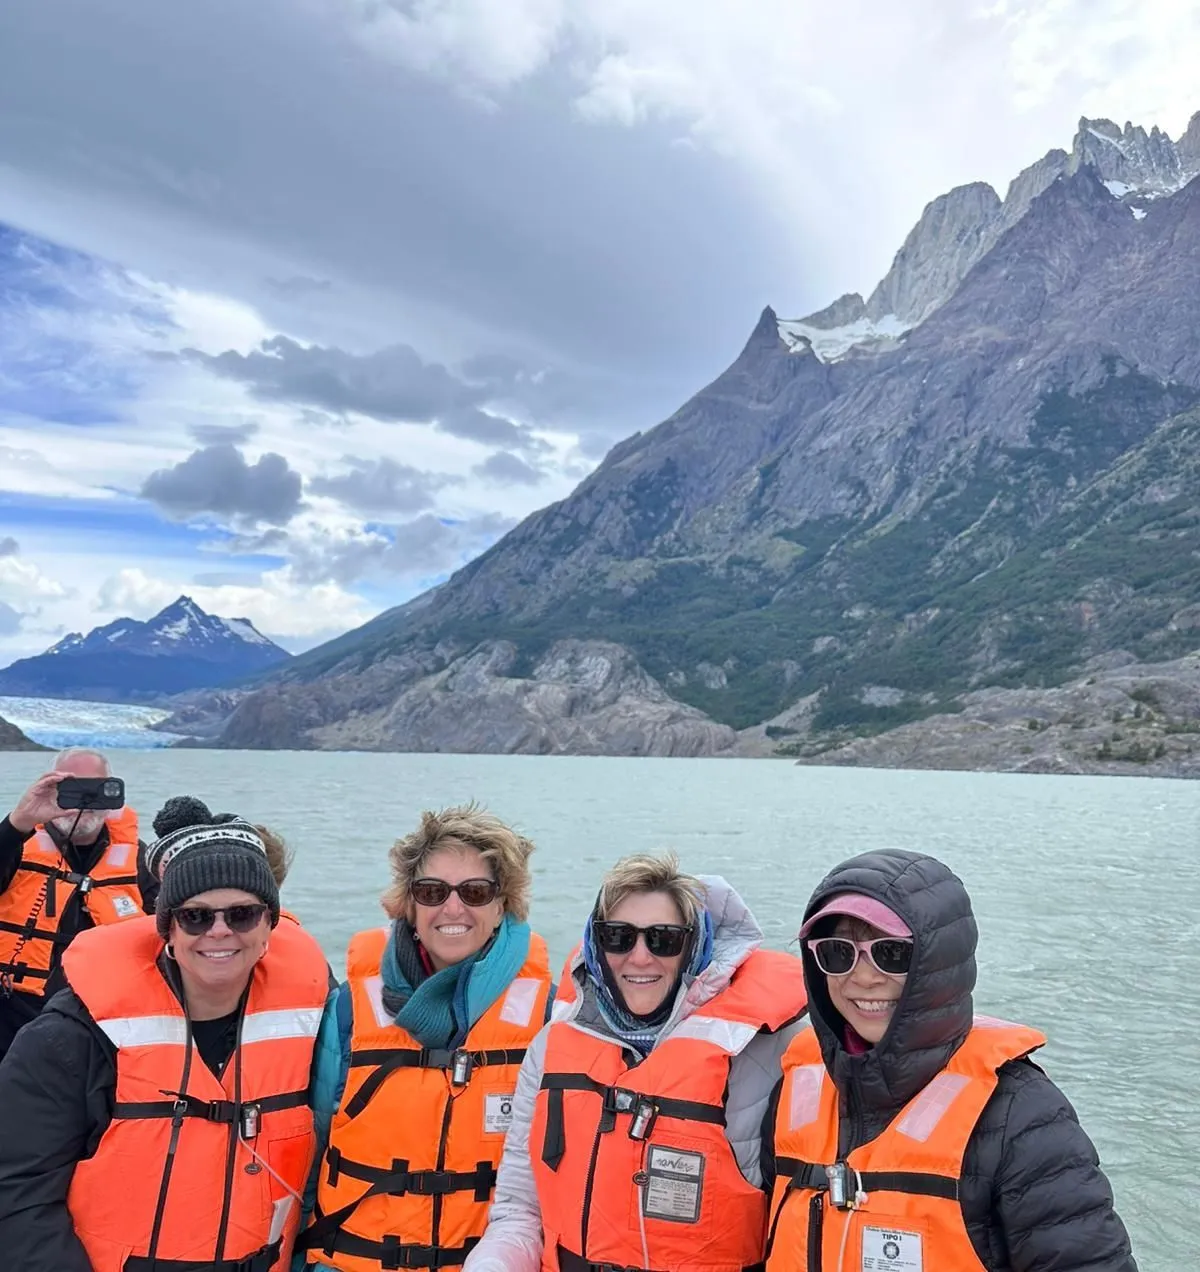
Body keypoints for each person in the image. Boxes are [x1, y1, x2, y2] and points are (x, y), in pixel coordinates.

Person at [763, 848, 1137, 1272]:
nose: (863, 977)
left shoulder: (1023, 1114)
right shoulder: (794, 1090)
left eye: (892, 953)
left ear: (938, 963)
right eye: (837, 952)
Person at [0, 811, 329, 1271]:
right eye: (195, 916)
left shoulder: (317, 1023)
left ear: (270, 925)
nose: (219, 932)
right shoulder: (70, 1039)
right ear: (167, 928)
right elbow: (18, 1190)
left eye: (242, 914)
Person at [464, 852, 809, 1272]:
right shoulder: (550, 1048)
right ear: (596, 943)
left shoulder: (775, 1053)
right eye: (618, 937)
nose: (640, 957)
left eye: (664, 938)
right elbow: (520, 1211)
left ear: (694, 947)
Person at [296, 805, 554, 1272]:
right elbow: (308, 1149)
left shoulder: (549, 1017)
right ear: (410, 905)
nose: (453, 908)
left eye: (475, 892)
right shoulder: (350, 1009)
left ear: (502, 907)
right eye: (432, 891)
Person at [0, 747, 157, 1058]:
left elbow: (175, 928)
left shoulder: (140, 860)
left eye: (93, 789)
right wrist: (18, 821)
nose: (83, 802)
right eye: (70, 789)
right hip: (15, 1012)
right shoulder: (16, 843)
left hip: (103, 1018)